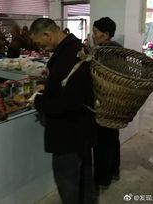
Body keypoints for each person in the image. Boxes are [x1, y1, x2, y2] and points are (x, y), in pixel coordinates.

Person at [29, 18, 97, 204]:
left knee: (69, 186)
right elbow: (71, 88)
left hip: (68, 134)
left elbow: (68, 104)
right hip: (83, 129)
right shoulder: (75, 47)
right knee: (85, 181)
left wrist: (38, 100)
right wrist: (50, 87)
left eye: (38, 42)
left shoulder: (68, 56)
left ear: (47, 35)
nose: (40, 47)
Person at [92, 17, 122, 189]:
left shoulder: (105, 52)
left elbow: (101, 78)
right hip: (117, 102)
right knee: (112, 138)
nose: (94, 35)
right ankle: (114, 171)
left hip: (105, 101)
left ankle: (102, 179)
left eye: (96, 32)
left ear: (106, 34)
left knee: (102, 141)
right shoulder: (119, 49)